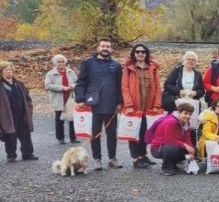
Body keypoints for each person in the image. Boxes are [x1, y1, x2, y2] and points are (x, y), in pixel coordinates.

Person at [75, 38, 123, 170]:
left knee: (112, 134)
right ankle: (97, 159)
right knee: (95, 133)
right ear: (98, 48)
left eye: (108, 46)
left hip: (111, 105)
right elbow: (81, 82)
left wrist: (120, 102)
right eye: (103, 46)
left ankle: (112, 158)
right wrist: (79, 99)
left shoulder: (116, 65)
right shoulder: (88, 63)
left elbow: (120, 86)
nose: (105, 48)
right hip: (94, 104)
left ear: (111, 49)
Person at [121, 44, 162, 169]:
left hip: (148, 107)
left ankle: (143, 155)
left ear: (146, 53)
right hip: (134, 106)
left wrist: (156, 104)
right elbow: (125, 88)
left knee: (145, 131)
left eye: (143, 52)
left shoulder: (152, 68)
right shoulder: (128, 69)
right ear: (134, 54)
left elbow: (158, 88)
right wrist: (128, 105)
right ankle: (136, 158)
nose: (140, 54)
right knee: (133, 132)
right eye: (138, 51)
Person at [0, 61, 37, 162]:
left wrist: (29, 110)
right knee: (10, 136)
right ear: (1, 72)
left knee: (26, 135)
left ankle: (28, 154)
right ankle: (11, 155)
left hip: (22, 114)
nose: (8, 72)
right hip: (7, 116)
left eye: (10, 69)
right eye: (5, 70)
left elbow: (27, 98)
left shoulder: (19, 83)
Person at [148, 102, 195, 176]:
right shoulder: (171, 121)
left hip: (171, 145)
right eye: (185, 113)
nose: (187, 116)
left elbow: (187, 138)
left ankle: (172, 164)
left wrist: (191, 150)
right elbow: (169, 140)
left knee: (192, 149)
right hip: (158, 148)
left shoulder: (186, 123)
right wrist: (185, 145)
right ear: (179, 113)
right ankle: (166, 167)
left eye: (189, 114)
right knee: (171, 148)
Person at [44, 54, 78, 144]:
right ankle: (60, 138)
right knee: (59, 119)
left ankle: (73, 138)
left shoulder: (70, 71)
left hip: (70, 97)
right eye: (59, 62)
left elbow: (77, 82)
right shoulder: (50, 74)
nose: (61, 63)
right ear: (55, 63)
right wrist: (62, 87)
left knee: (72, 119)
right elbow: (47, 86)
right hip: (58, 99)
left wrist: (73, 86)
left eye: (62, 62)